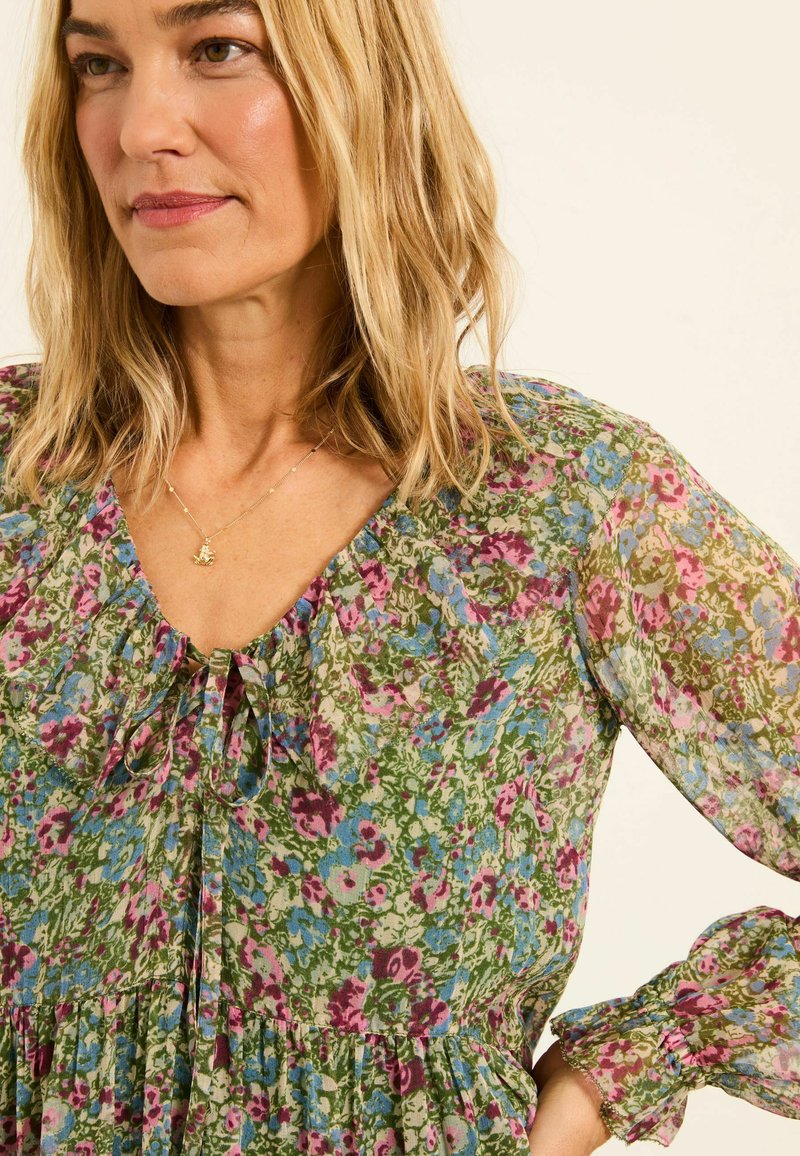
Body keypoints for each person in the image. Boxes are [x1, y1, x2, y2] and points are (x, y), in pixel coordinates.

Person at [0, 0, 796, 1152]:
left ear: (361, 82)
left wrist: (613, 1073)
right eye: (98, 64)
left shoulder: (556, 500)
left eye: (217, 50)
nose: (139, 127)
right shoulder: (17, 474)